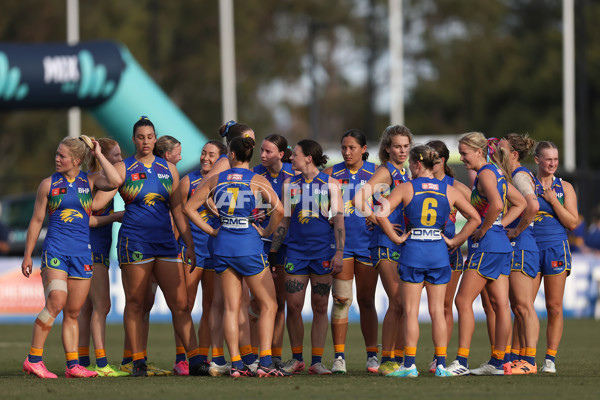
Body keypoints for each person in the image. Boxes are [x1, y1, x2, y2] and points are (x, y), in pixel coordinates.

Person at [184, 136, 287, 377]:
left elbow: (189, 208)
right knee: (269, 304)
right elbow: (280, 210)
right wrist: (265, 231)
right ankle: (265, 362)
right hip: (248, 246)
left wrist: (212, 229)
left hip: (222, 246)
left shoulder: (215, 180)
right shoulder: (257, 180)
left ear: (230, 155)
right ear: (249, 156)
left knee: (231, 308)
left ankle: (237, 365)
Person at [21, 135, 122, 379]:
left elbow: (117, 180)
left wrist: (98, 154)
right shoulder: (48, 184)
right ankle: (33, 359)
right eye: (56, 154)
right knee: (56, 301)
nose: (56, 158)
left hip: (82, 253)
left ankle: (73, 366)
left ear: (77, 160)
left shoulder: (91, 181)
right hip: (55, 252)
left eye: (62, 155)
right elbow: (36, 221)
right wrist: (27, 255)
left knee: (74, 313)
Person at [378, 145, 480, 378]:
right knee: (437, 311)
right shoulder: (449, 189)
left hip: (413, 251)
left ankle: (410, 365)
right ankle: (441, 366)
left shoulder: (406, 187)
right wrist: (455, 241)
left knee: (411, 312)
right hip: (439, 253)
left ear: (415, 164)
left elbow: (380, 212)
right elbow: (475, 217)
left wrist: (396, 237)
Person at [114, 116, 204, 377]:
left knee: (181, 304)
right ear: (134, 139)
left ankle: (195, 360)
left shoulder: (169, 169)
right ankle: (138, 361)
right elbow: (103, 192)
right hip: (135, 242)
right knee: (136, 302)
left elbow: (177, 209)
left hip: (165, 242)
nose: (145, 141)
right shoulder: (124, 167)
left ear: (155, 139)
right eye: (140, 137)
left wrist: (189, 243)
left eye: (149, 137)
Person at [447, 133, 526, 376]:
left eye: (464, 153)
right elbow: (520, 203)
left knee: (462, 301)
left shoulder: (485, 174)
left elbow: (499, 205)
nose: (462, 158)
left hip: (488, 245)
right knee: (500, 305)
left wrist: (485, 227)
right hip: (500, 244)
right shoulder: (497, 172)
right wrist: (501, 226)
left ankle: (461, 361)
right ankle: (499, 362)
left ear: (479, 151)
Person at [271, 139, 344, 375]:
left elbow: (339, 220)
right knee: (293, 306)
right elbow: (285, 220)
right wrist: (273, 250)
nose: (291, 158)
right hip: (296, 252)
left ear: (308, 158)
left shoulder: (331, 184)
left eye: (295, 155)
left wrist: (339, 253)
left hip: (323, 252)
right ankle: (296, 359)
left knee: (320, 306)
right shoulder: (289, 184)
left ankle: (316, 362)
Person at [353, 124, 412, 375]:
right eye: (397, 146)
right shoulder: (386, 172)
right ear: (387, 148)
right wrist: (379, 221)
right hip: (385, 243)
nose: (402, 151)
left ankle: (397, 359)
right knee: (397, 300)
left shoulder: (405, 171)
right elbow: (358, 199)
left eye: (406, 146)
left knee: (403, 303)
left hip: (402, 242)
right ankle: (387, 358)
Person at [322, 129, 379, 374]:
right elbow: (318, 204)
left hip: (368, 245)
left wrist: (376, 218)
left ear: (363, 149)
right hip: (341, 247)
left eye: (352, 147)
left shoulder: (377, 173)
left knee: (367, 301)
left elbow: (389, 203)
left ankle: (372, 356)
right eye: (344, 147)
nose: (346, 152)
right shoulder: (330, 173)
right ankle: (339, 358)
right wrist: (327, 215)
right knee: (342, 300)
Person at [77, 138, 129, 377]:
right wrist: (117, 216)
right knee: (102, 306)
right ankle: (101, 364)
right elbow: (90, 214)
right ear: (103, 157)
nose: (120, 160)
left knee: (87, 308)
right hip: (92, 247)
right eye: (116, 156)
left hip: (93, 246)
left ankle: (82, 361)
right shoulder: (98, 180)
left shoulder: (91, 178)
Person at [175, 139, 227, 375]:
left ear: (222, 160)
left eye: (211, 155)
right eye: (203, 153)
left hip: (217, 251)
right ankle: (182, 359)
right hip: (192, 250)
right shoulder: (188, 181)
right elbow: (178, 216)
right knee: (184, 305)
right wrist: (182, 245)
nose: (205, 158)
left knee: (210, 308)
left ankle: (204, 359)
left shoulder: (226, 183)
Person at [425, 140, 472, 373]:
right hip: (419, 252)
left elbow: (479, 217)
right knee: (405, 306)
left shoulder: (457, 188)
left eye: (430, 159)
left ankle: (439, 357)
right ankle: (399, 356)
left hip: (448, 255)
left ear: (442, 161)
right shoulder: (415, 184)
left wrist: (459, 240)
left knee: (445, 306)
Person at [533, 141, 578, 374]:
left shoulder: (564, 187)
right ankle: (524, 357)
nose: (552, 163)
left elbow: (572, 223)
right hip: (529, 247)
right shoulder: (526, 184)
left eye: (556, 159)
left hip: (555, 247)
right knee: (523, 306)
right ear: (537, 160)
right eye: (548, 159)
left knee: (554, 306)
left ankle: (549, 358)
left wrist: (553, 202)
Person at [498, 134, 541, 374]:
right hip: (520, 245)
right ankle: (523, 358)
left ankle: (530, 361)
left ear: (514, 154)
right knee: (517, 306)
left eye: (501, 148)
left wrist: (516, 230)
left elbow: (532, 205)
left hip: (523, 245)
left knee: (524, 305)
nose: (496, 151)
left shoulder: (519, 175)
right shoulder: (510, 175)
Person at [253, 133, 295, 367]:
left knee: (278, 301)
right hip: (257, 245)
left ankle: (274, 355)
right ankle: (250, 355)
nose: (263, 155)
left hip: (284, 246)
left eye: (268, 151)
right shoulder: (255, 173)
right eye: (262, 150)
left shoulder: (293, 175)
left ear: (281, 154)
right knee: (254, 302)